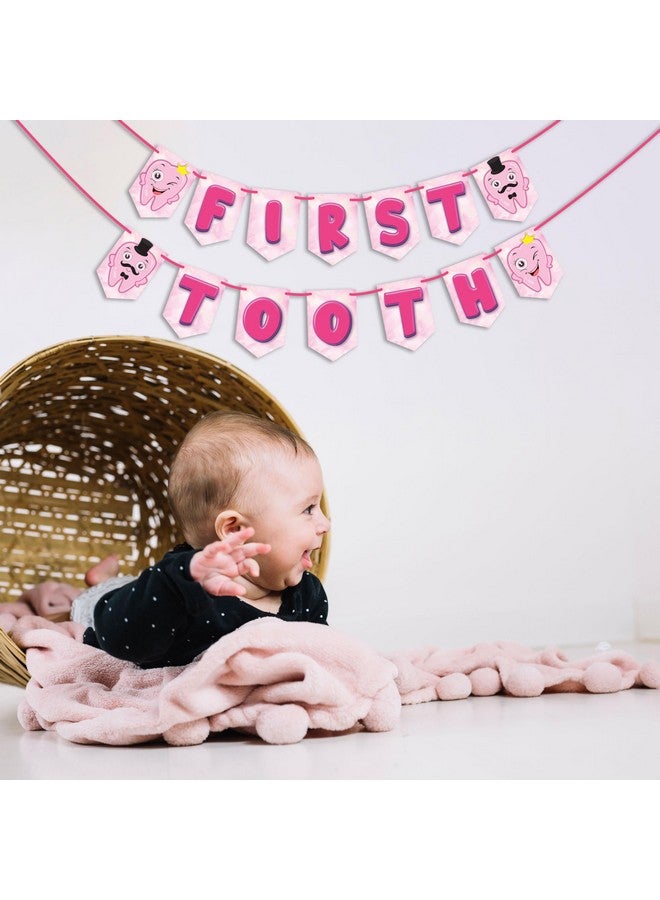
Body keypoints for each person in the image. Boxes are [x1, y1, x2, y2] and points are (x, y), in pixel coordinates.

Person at [70, 411, 331, 668]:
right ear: (234, 529)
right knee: (94, 599)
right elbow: (120, 642)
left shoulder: (307, 596)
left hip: (141, 589)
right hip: (109, 608)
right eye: (308, 509)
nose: (325, 524)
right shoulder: (184, 588)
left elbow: (326, 659)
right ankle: (103, 581)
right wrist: (179, 583)